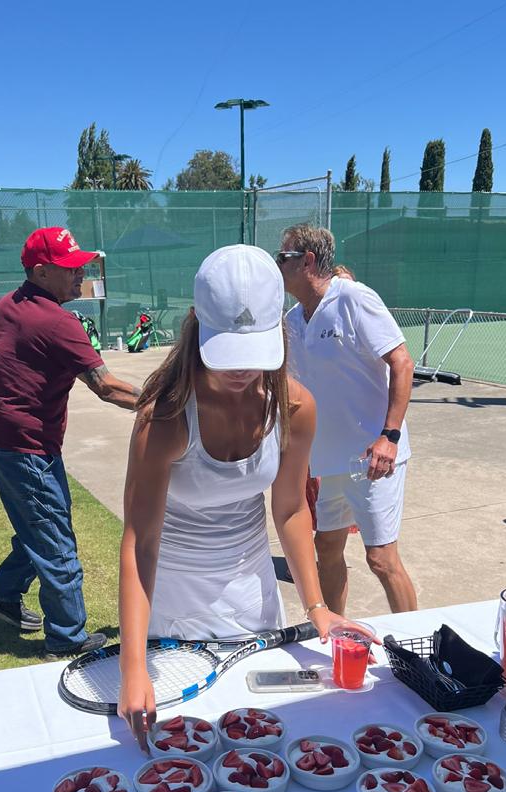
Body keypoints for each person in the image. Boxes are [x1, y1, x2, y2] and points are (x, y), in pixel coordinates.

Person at [117, 245, 369, 750]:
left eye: (254, 352)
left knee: (258, 745)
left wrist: (316, 606)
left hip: (254, 599)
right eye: (228, 352)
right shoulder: (164, 418)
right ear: (196, 323)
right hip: (174, 601)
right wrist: (133, 666)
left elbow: (290, 508)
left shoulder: (295, 407)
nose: (242, 371)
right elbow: (140, 543)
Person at [0, 227, 141, 660]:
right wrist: (170, 404)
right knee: (56, 542)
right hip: (28, 447)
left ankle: (1, 594)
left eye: (81, 265)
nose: (80, 274)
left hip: (2, 440)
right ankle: (67, 637)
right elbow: (107, 387)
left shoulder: (3, 306)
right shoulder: (59, 322)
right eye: (70, 268)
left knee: (41, 524)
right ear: (40, 272)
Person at [279, 224, 418, 615]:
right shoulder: (292, 320)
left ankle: (419, 639)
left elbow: (402, 363)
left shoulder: (354, 298)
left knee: (382, 559)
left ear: (307, 261)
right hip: (329, 463)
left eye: (283, 258)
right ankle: (335, 631)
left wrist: (389, 437)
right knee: (326, 549)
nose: (278, 266)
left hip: (374, 459)